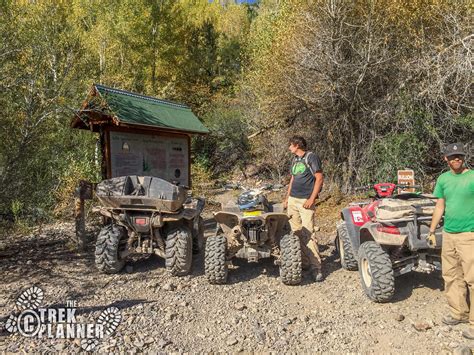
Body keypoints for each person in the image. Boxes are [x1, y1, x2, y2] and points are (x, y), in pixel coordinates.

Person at [428, 142, 474, 340]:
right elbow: (440, 206)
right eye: (453, 157)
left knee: (472, 279)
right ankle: (459, 313)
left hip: (469, 235)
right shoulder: (443, 179)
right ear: (446, 159)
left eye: (460, 156)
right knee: (451, 275)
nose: (457, 159)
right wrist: (432, 230)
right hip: (449, 234)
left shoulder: (472, 177)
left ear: (464, 158)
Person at [283, 136, 324, 282]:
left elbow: (319, 178)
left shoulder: (311, 157)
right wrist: (287, 198)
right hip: (293, 200)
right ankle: (305, 263)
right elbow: (293, 179)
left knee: (308, 234)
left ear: (297, 145)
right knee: (296, 233)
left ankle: (316, 267)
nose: (289, 148)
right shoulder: (295, 160)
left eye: (290, 145)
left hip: (305, 200)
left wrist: (312, 199)